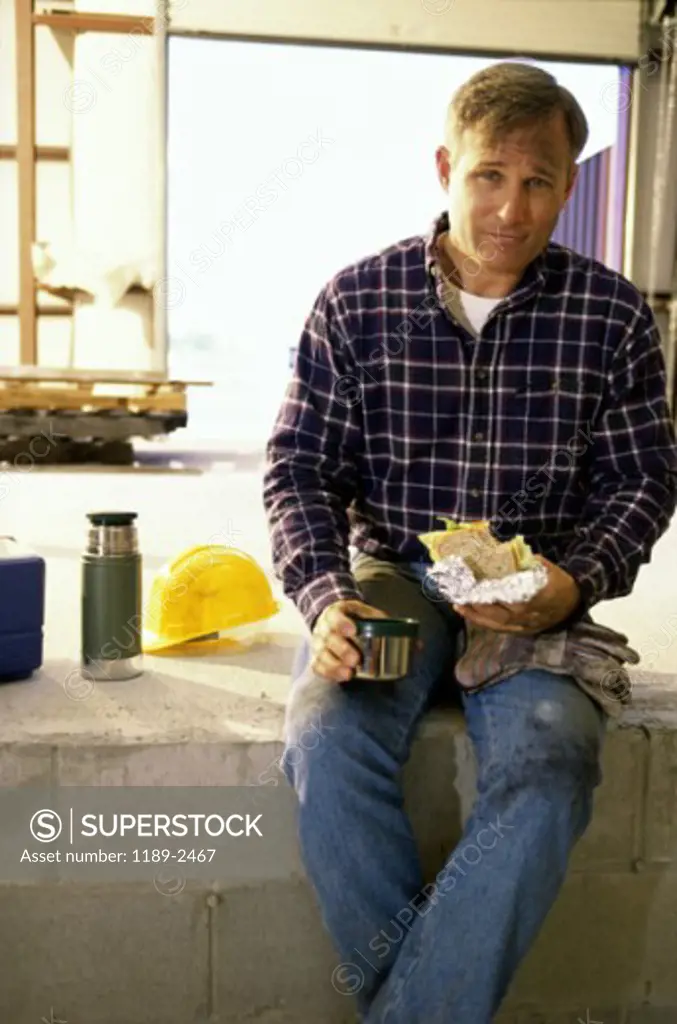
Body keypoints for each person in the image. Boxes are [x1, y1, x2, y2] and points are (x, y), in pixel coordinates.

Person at [262, 61, 677, 1023]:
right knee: (325, 739)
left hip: (534, 588)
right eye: (490, 174)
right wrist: (326, 598)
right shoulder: (356, 301)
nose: (510, 207)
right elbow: (297, 469)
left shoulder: (611, 317)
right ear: (446, 167)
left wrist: (573, 585)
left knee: (552, 760)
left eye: (538, 181)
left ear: (570, 185)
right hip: (392, 575)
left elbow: (643, 480)